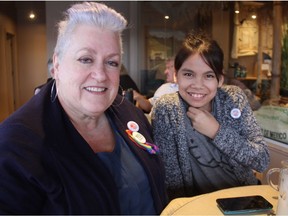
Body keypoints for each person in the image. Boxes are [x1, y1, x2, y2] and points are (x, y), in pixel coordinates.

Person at [0, 2, 168, 214]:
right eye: (86, 59)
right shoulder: (15, 145)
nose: (100, 75)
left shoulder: (128, 112)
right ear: (57, 65)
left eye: (112, 62)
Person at [151, 31, 270, 200]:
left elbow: (261, 160)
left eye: (208, 76)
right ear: (176, 75)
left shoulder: (233, 99)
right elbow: (172, 182)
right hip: (197, 205)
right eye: (188, 74)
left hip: (244, 200)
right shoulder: (166, 110)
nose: (198, 85)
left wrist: (216, 131)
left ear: (220, 80)